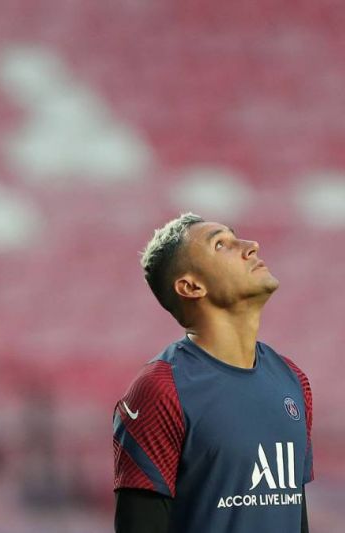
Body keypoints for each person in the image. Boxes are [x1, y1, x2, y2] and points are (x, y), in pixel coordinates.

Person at [113, 213, 313, 533]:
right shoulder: (160, 390)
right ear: (191, 286)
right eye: (221, 244)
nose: (251, 246)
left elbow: (294, 516)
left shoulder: (293, 380)